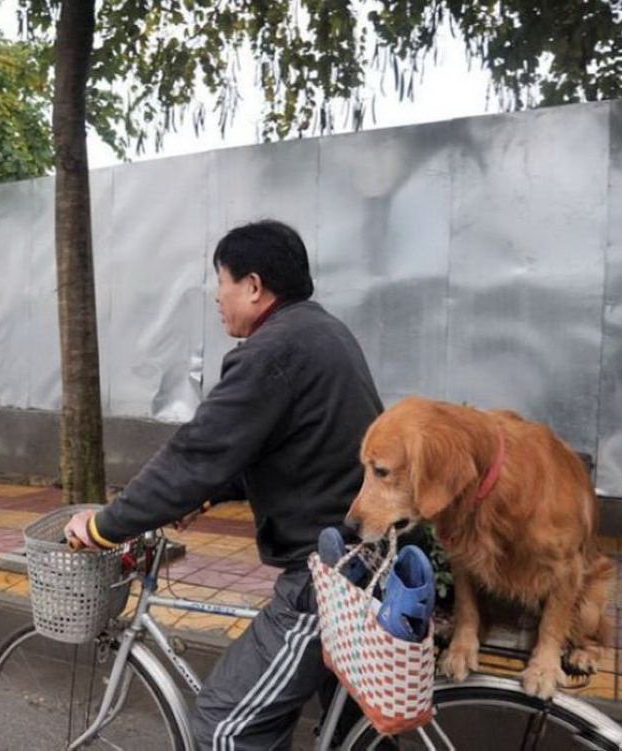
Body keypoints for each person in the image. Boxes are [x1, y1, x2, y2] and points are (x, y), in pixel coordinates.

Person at [64, 219, 383, 750]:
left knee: (223, 728)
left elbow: (197, 452)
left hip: (329, 579)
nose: (217, 297)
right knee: (330, 729)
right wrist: (209, 493)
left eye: (222, 281)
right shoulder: (320, 331)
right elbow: (289, 446)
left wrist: (102, 526)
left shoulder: (271, 352)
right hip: (364, 559)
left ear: (254, 286)